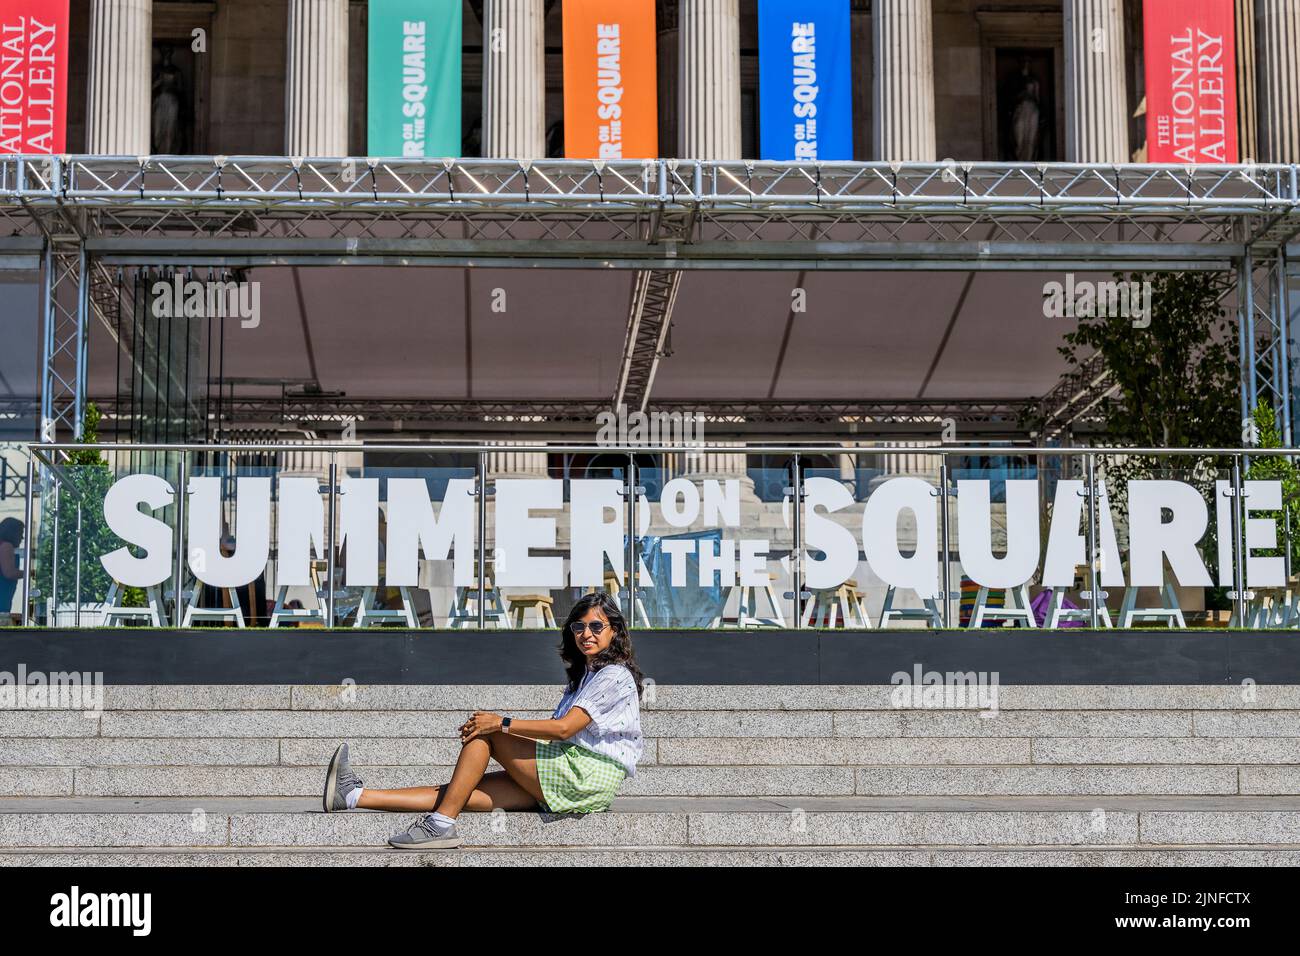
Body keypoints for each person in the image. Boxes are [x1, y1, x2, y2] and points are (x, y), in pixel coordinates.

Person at [321, 591, 644, 849]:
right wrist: (509, 736)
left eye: (596, 626)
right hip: (571, 772)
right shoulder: (586, 675)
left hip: (587, 775)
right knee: (458, 792)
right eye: (578, 627)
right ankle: (353, 796)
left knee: (487, 734)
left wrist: (501, 724)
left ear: (614, 631)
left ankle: (440, 826)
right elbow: (556, 731)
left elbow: (563, 729)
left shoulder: (613, 674)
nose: (586, 634)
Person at [0, 518, 22, 624]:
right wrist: (29, 573)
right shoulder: (6, 546)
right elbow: (9, 572)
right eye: (21, 533)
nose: (22, 537)